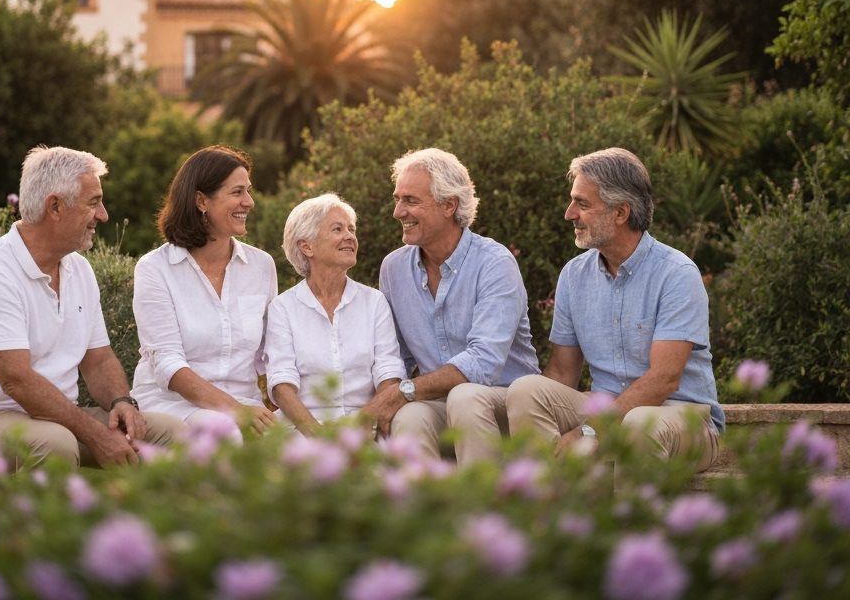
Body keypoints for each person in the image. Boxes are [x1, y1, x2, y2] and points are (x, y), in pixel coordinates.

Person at [0, 146, 182, 468]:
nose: (104, 215)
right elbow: (17, 381)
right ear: (54, 206)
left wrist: (122, 401)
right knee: (56, 445)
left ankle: (147, 519)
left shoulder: (78, 269)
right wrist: (95, 435)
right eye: (93, 202)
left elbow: (98, 360)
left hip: (58, 417)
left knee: (174, 433)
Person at [505, 147, 723, 470]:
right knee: (526, 392)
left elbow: (663, 380)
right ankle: (551, 507)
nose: (569, 214)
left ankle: (631, 520)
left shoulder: (677, 274)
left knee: (639, 425)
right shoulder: (573, 276)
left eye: (582, 203)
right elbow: (563, 372)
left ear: (620, 213)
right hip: (607, 409)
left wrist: (588, 432)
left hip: (681, 417)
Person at [365, 148, 540, 465]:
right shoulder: (393, 268)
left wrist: (401, 391)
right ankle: (430, 510)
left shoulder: (494, 263)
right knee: (410, 418)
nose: (397, 212)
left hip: (507, 404)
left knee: (464, 396)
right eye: (397, 199)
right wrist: (390, 394)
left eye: (411, 201)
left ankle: (483, 506)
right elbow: (395, 356)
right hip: (440, 401)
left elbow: (482, 363)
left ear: (449, 205)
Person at [130, 145, 278, 442]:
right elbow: (169, 366)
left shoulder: (261, 266)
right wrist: (235, 411)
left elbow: (272, 354)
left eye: (249, 191)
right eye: (237, 192)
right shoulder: (155, 269)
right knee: (225, 435)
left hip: (243, 403)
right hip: (173, 405)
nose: (249, 202)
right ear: (201, 201)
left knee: (300, 447)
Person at [264, 194, 405, 435]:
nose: (350, 236)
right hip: (302, 429)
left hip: (365, 426)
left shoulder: (374, 302)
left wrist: (363, 426)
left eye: (351, 229)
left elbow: (389, 371)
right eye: (337, 229)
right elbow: (281, 383)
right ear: (306, 246)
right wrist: (317, 436)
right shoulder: (283, 307)